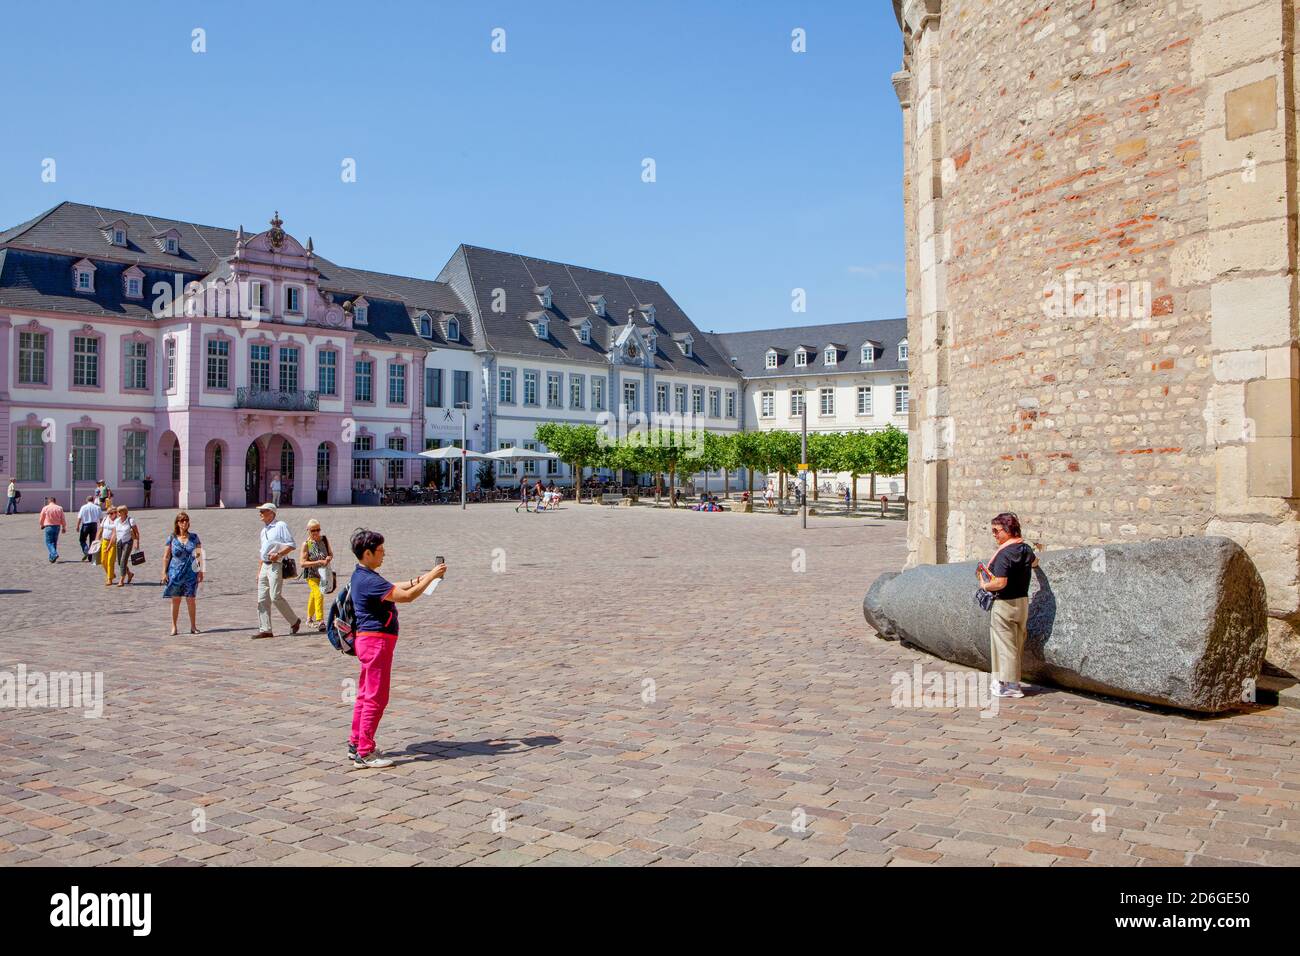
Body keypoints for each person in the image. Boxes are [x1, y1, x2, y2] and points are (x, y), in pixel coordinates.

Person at [345, 528, 446, 769]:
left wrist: (423, 577)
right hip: (376, 642)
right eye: (380, 551)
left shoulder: (362, 575)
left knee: (364, 694)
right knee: (376, 697)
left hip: (368, 641)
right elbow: (407, 596)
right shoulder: (369, 579)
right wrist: (431, 577)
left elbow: (395, 586)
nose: (383, 554)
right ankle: (365, 752)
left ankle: (355, 742)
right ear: (367, 553)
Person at [977, 512, 1038, 699]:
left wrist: (984, 584)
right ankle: (1006, 681)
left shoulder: (1004, 554)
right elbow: (1035, 563)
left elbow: (1000, 582)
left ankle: (1009, 685)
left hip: (1004, 604)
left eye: (996, 531)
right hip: (1021, 603)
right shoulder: (1024, 548)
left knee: (1004, 645)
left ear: (1008, 530)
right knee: (1016, 642)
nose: (994, 535)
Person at [252, 503, 300, 640]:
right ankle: (265, 629)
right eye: (260, 511)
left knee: (275, 596)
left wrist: (278, 554)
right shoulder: (264, 530)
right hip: (264, 566)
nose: (260, 513)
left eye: (263, 511)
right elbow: (262, 552)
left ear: (271, 513)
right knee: (262, 599)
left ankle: (294, 620)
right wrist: (259, 571)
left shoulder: (280, 526)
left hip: (275, 565)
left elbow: (291, 544)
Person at [161, 512, 203, 635]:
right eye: (182, 521)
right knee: (176, 600)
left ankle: (193, 626)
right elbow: (166, 556)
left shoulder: (194, 537)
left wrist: (200, 571)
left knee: (191, 599)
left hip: (191, 572)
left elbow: (199, 555)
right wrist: (164, 572)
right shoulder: (172, 538)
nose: (184, 523)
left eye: (186, 520)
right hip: (175, 572)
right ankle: (174, 626)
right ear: (177, 523)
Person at [300, 518, 333, 632]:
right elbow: (302, 563)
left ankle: (309, 619)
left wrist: (328, 558)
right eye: (313, 530)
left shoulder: (324, 540)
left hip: (323, 574)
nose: (315, 533)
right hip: (311, 574)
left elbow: (330, 554)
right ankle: (320, 620)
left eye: (317, 530)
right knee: (318, 594)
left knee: (314, 595)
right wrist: (318, 562)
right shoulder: (306, 544)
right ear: (308, 530)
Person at [111, 504, 140, 586]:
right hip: (119, 542)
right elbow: (114, 533)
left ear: (125, 512)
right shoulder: (116, 521)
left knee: (123, 561)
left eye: (120, 511)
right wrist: (110, 544)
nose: (118, 513)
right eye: (117, 511)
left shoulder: (130, 520)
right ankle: (129, 573)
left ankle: (121, 580)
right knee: (120, 562)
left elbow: (136, 532)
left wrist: (136, 542)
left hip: (128, 542)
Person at [96, 506, 119, 586]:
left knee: (110, 561)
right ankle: (112, 574)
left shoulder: (117, 521)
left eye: (112, 513)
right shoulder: (105, 519)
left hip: (113, 542)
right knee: (103, 561)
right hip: (104, 541)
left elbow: (114, 534)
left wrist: (110, 545)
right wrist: (96, 540)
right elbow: (100, 529)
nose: (110, 515)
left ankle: (109, 578)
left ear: (116, 513)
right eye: (108, 513)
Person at [38, 496, 66, 562]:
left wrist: (41, 525)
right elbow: (62, 518)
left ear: (49, 501)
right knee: (54, 542)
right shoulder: (59, 508)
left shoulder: (45, 508)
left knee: (49, 542)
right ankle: (52, 558)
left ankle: (54, 554)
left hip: (48, 526)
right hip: (57, 526)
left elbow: (41, 517)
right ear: (55, 501)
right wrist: (64, 527)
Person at [76, 494, 102, 562]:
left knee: (82, 539)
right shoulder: (97, 507)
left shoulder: (83, 507)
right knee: (92, 541)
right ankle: (90, 557)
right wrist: (101, 527)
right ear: (93, 500)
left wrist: (77, 526)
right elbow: (101, 518)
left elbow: (79, 517)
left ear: (87, 500)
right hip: (94, 525)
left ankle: (86, 550)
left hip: (85, 525)